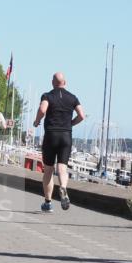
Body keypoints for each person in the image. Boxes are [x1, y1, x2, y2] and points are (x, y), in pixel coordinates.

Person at [34, 73, 84, 212]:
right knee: (62, 168)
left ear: (52, 83)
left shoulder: (47, 96)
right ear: (65, 82)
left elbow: (42, 109)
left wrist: (37, 121)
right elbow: (82, 115)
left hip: (51, 135)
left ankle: (48, 202)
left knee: (49, 170)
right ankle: (63, 188)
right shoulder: (73, 97)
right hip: (66, 135)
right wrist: (71, 123)